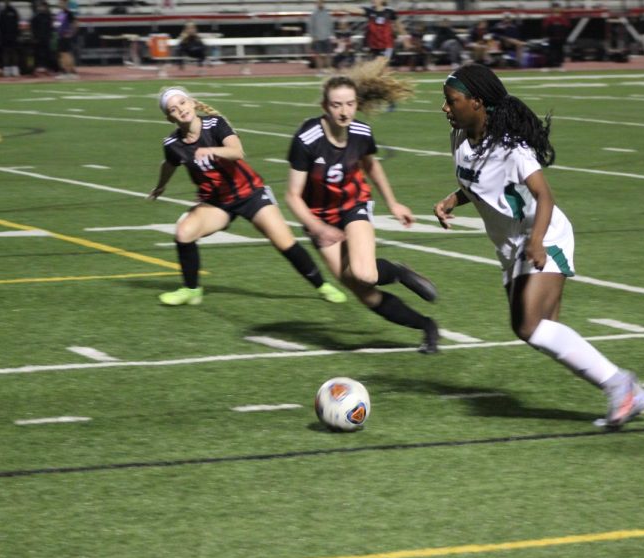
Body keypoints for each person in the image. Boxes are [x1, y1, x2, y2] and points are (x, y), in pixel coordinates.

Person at [433, 64, 644, 428]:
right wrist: (453, 201)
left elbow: (543, 194)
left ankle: (620, 386)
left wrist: (535, 241)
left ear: (476, 102)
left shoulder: (512, 148)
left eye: (451, 101)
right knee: (541, 330)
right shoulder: (460, 137)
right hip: (511, 246)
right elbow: (485, 184)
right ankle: (627, 391)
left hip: (542, 236)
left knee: (528, 326)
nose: (445, 108)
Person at [284, 59, 440, 354]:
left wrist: (392, 202)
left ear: (356, 103)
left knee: (365, 274)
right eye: (336, 105)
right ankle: (427, 327)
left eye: (349, 104)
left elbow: (371, 166)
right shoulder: (307, 139)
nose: (344, 111)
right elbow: (292, 195)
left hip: (353, 205)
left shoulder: (360, 132)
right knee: (363, 292)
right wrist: (317, 227)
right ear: (324, 106)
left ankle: (399, 272)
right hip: (318, 216)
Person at [147, 87, 347, 308]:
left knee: (284, 242)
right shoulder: (172, 144)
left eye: (183, 103)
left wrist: (212, 150)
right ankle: (192, 290)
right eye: (173, 109)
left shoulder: (215, 124)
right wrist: (160, 186)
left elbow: (236, 151)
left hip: (250, 193)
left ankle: (322, 286)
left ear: (193, 103)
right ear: (169, 117)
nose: (181, 110)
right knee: (184, 233)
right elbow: (169, 164)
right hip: (217, 204)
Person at [307, 0, 333, 73]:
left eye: (321, 2)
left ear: (323, 3)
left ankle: (329, 69)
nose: (319, 4)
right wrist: (313, 37)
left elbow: (330, 25)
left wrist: (331, 35)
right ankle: (320, 71)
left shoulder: (327, 13)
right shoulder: (314, 14)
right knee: (318, 55)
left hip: (327, 37)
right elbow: (311, 26)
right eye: (318, 3)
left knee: (329, 54)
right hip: (317, 37)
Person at [542, 3, 571, 68]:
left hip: (561, 38)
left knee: (560, 51)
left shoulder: (563, 19)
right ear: (552, 9)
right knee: (551, 51)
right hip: (552, 38)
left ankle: (559, 63)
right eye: (555, 8)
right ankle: (551, 63)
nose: (556, 9)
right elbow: (545, 28)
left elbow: (567, 27)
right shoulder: (549, 19)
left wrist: (563, 36)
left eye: (557, 8)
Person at [54, 0, 78, 79]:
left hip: (65, 36)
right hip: (60, 36)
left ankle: (69, 72)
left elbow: (75, 23)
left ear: (66, 3)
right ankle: (67, 70)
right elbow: (58, 24)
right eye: (60, 3)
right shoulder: (60, 13)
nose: (60, 4)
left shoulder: (68, 13)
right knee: (62, 54)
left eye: (62, 3)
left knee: (66, 54)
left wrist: (71, 33)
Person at [0, 0, 20, 76]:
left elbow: (17, 24)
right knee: (6, 53)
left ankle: (15, 69)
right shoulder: (2, 12)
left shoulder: (14, 12)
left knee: (13, 52)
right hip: (5, 36)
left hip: (13, 36)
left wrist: (17, 34)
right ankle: (7, 70)